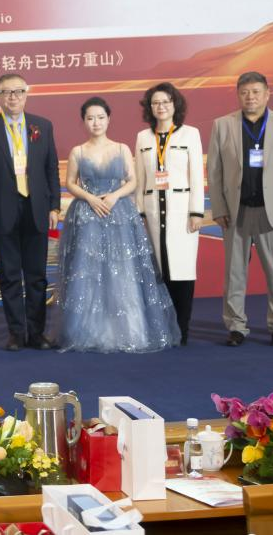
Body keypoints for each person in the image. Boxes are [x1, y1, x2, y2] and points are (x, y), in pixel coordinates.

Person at [58, 97, 180, 353]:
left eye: (100, 117)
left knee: (123, 271)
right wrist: (90, 198)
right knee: (88, 273)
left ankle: (129, 331)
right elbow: (70, 183)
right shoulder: (78, 151)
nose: (96, 123)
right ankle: (90, 333)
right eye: (90, 118)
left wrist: (114, 196)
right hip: (89, 215)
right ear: (84, 122)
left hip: (119, 214)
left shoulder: (122, 148)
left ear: (108, 119)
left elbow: (133, 181)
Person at [207, 72, 273, 348]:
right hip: (235, 211)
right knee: (234, 273)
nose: (250, 97)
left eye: (255, 91)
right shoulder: (222, 125)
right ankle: (236, 327)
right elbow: (214, 172)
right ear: (238, 95)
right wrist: (218, 207)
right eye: (244, 92)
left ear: (267, 94)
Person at [0, 74, 60, 351]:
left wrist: (54, 205)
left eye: (18, 91)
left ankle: (37, 333)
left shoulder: (42, 126)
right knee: (9, 276)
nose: (13, 97)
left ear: (26, 94)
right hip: (3, 211)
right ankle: (15, 333)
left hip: (36, 209)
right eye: (6, 92)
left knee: (36, 276)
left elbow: (50, 168)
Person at [133, 83, 204, 345]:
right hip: (152, 212)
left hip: (182, 212)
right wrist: (139, 212)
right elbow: (140, 178)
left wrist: (196, 211)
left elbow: (196, 175)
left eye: (166, 102)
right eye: (155, 103)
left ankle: (182, 330)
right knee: (158, 272)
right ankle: (162, 329)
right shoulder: (143, 137)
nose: (161, 107)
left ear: (175, 104)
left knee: (182, 270)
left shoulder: (190, 134)